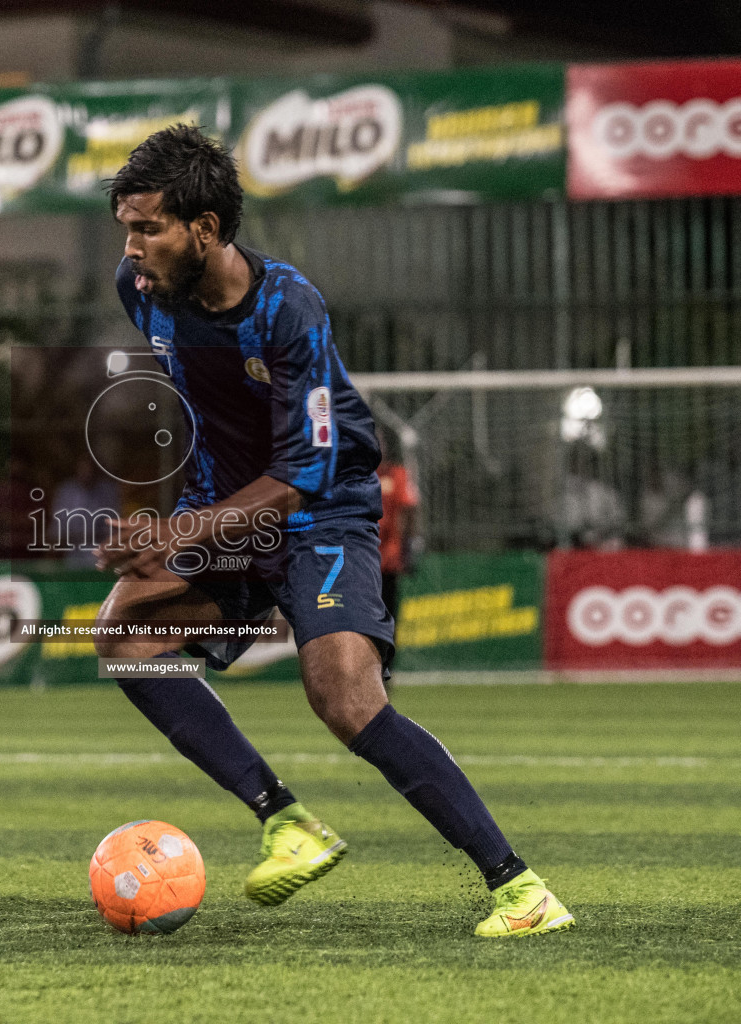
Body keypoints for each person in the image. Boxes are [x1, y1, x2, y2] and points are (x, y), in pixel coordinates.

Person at [92, 126, 572, 938]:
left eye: (148, 228)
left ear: (206, 229)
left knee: (346, 699)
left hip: (321, 511)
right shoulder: (141, 290)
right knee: (124, 638)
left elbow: (303, 474)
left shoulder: (288, 307)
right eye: (126, 229)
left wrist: (180, 534)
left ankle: (521, 890)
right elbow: (215, 418)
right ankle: (286, 822)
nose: (132, 248)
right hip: (230, 514)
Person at [375, 428, 420, 672]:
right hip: (360, 562)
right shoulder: (356, 476)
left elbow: (410, 508)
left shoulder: (397, 475)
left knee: (387, 621)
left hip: (387, 562)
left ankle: (384, 673)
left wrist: (410, 546)